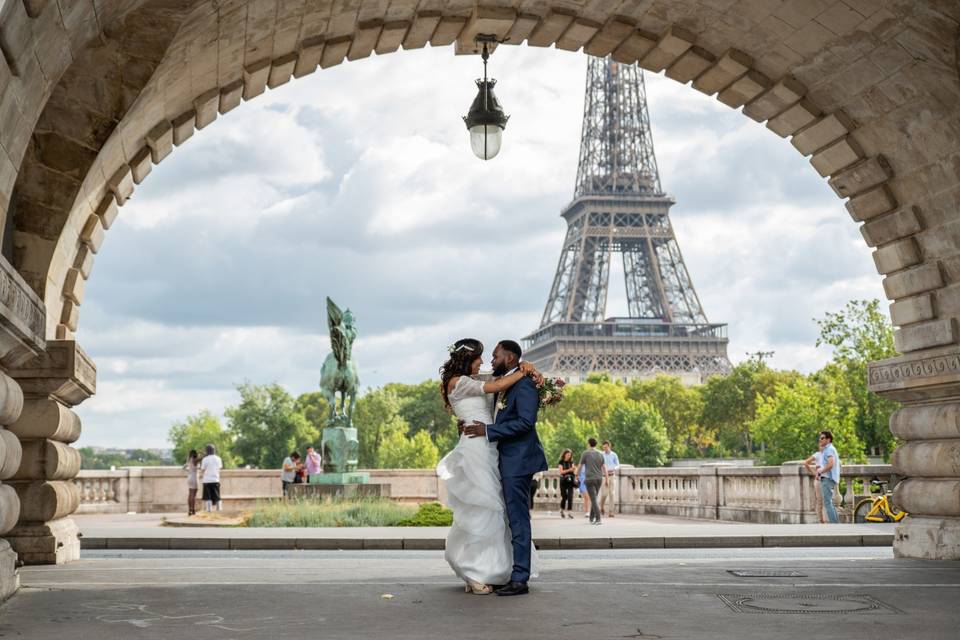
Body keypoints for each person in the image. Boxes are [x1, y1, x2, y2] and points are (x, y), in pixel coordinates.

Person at [442, 338, 547, 597]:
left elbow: (522, 418)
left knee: (496, 513)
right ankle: (483, 570)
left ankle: (502, 572)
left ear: (508, 358)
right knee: (485, 511)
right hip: (481, 448)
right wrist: (525, 369)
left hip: (496, 451)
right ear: (468, 359)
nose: (487, 360)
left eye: (494, 355)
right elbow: (498, 384)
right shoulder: (467, 381)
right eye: (481, 357)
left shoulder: (506, 381)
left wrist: (527, 368)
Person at [578, 438, 607, 525]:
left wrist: (576, 475)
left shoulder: (585, 453)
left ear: (588, 444)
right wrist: (607, 478)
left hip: (590, 479)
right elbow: (604, 467)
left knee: (593, 499)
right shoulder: (600, 454)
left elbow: (580, 466)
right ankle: (591, 518)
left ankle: (598, 519)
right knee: (594, 498)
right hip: (599, 479)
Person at [816, 430, 841, 523]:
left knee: (827, 502)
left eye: (822, 438)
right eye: (820, 438)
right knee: (829, 502)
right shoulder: (829, 449)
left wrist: (821, 471)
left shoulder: (829, 449)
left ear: (828, 439)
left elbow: (831, 464)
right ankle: (836, 524)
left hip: (827, 478)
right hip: (829, 478)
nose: (820, 440)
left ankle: (835, 525)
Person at [802, 438, 827, 523]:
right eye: (820, 445)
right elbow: (805, 463)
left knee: (828, 501)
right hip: (819, 480)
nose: (821, 447)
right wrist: (814, 473)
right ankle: (821, 521)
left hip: (827, 480)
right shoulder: (817, 455)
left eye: (823, 445)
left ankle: (828, 520)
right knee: (820, 501)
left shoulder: (829, 455)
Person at [200, 443, 223, 512]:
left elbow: (202, 469)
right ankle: (219, 508)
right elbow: (220, 468)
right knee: (217, 495)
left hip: (207, 480)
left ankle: (209, 509)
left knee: (207, 496)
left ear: (207, 451)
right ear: (214, 450)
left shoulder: (205, 459)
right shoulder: (218, 458)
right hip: (216, 479)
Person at [600, 440, 619, 518]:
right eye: (603, 447)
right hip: (604, 476)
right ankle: (601, 507)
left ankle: (611, 512)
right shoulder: (601, 455)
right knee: (604, 494)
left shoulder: (614, 454)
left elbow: (618, 464)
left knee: (612, 494)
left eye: (606, 447)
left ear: (609, 446)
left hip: (612, 476)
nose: (605, 449)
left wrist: (614, 468)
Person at [557, 449, 576, 519]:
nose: (569, 456)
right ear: (564, 454)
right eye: (567, 454)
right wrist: (569, 470)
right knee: (564, 496)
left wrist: (574, 470)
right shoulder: (561, 462)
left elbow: (574, 470)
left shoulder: (571, 462)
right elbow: (561, 472)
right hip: (563, 480)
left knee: (570, 496)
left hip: (570, 480)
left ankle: (570, 513)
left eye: (570, 454)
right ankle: (562, 510)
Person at [183, 449, 199, 516]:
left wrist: (189, 471)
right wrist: (201, 452)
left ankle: (190, 510)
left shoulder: (189, 460)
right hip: (194, 478)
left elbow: (183, 468)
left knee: (190, 494)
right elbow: (204, 456)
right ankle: (192, 510)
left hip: (189, 477)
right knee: (193, 495)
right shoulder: (195, 460)